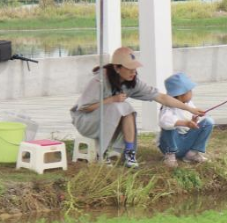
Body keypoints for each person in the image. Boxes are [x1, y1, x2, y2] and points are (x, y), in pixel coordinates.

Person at [70, 47, 206, 169]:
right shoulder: (99, 80)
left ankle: (130, 153)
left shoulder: (133, 82)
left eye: (134, 69)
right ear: (117, 68)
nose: (133, 73)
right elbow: (84, 108)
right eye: (129, 69)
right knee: (119, 106)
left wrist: (189, 109)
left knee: (126, 109)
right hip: (86, 121)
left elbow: (162, 98)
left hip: (108, 120)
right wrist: (110, 100)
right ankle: (102, 154)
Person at [158, 72, 213, 168]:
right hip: (173, 143)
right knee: (169, 126)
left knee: (208, 122)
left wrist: (194, 121)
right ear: (180, 94)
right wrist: (186, 123)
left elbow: (192, 123)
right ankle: (170, 155)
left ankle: (192, 153)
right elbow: (164, 121)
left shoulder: (189, 104)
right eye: (189, 91)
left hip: (186, 142)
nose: (192, 93)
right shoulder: (168, 107)